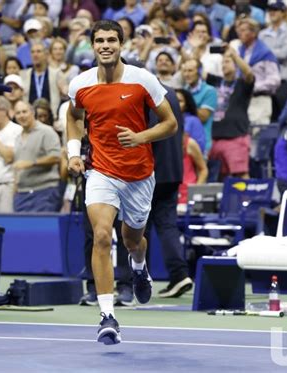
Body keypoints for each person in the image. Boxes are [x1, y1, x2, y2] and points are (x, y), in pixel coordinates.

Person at [66, 20, 177, 345]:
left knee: (132, 240)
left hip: (139, 175)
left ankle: (139, 266)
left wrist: (140, 136)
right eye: (99, 40)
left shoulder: (143, 80)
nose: (105, 45)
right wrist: (73, 152)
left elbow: (169, 123)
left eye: (111, 40)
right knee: (101, 236)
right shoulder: (81, 85)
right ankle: (107, 316)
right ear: (92, 45)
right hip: (100, 172)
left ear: (121, 44)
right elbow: (73, 117)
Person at [148, 84, 194, 298]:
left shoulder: (142, 91)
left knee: (138, 228)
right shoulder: (171, 94)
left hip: (151, 171)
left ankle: (137, 280)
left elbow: (147, 134)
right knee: (167, 225)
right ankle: (179, 274)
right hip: (173, 169)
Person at [208, 44, 255, 180]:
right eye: (222, 62)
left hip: (235, 137)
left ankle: (247, 200)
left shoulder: (242, 84)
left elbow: (249, 74)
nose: (224, 65)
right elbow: (195, 69)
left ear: (235, 64)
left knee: (240, 175)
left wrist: (234, 55)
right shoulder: (216, 82)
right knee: (220, 178)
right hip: (215, 138)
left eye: (227, 62)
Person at [12, 100, 61, 212]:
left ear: (32, 112)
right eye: (18, 113)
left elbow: (56, 157)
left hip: (44, 191)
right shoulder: (18, 137)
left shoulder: (46, 131)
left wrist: (31, 163)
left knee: (43, 229)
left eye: (24, 112)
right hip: (22, 194)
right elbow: (17, 165)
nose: (21, 115)